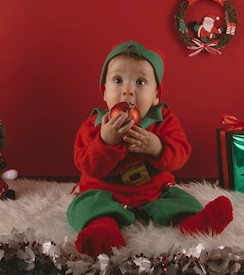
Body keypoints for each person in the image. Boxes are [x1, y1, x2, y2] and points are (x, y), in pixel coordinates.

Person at [67, 40, 233, 257]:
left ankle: (195, 223)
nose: (127, 91)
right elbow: (87, 165)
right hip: (105, 191)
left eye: (140, 82)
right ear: (104, 91)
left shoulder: (163, 119)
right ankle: (103, 229)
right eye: (118, 80)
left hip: (154, 191)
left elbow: (181, 154)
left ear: (156, 95)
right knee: (85, 204)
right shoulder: (94, 125)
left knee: (180, 198)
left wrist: (158, 147)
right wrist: (105, 142)